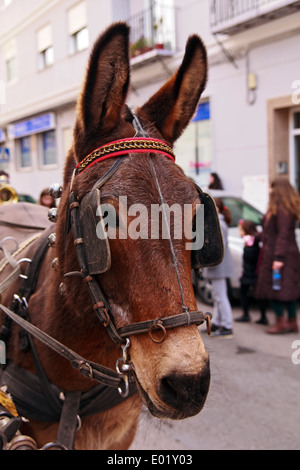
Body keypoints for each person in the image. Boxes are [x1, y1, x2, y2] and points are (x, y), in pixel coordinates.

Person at [255, 177, 300, 334]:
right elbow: (272, 232)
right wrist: (255, 236)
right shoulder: (279, 208)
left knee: (274, 288)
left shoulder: (282, 209)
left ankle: (283, 322)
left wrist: (279, 258)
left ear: (278, 190)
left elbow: (283, 234)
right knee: (284, 289)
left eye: (271, 187)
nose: (269, 190)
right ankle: (291, 322)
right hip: (278, 254)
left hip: (281, 256)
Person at [203, 198, 234, 337]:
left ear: (217, 209)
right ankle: (217, 322)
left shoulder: (220, 224)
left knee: (221, 296)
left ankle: (227, 325)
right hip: (216, 266)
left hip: (218, 266)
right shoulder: (217, 222)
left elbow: (218, 246)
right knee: (217, 296)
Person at [235, 219, 268, 324]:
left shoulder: (252, 242)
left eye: (240, 230)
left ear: (246, 230)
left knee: (251, 294)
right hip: (251, 272)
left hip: (252, 273)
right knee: (256, 295)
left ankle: (248, 315)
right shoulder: (254, 241)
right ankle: (261, 316)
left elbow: (251, 258)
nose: (239, 233)